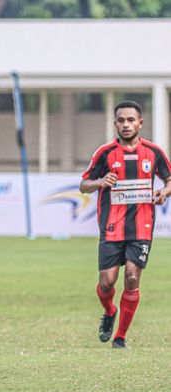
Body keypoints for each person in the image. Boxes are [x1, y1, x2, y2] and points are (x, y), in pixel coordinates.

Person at [80, 100, 171, 349]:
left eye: (131, 120)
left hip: (141, 227)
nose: (126, 124)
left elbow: (169, 178)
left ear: (140, 123)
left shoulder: (153, 152)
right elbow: (83, 184)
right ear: (115, 124)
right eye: (121, 120)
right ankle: (110, 311)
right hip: (111, 227)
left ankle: (120, 337)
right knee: (107, 283)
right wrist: (100, 182)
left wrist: (165, 191)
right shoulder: (105, 153)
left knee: (132, 277)